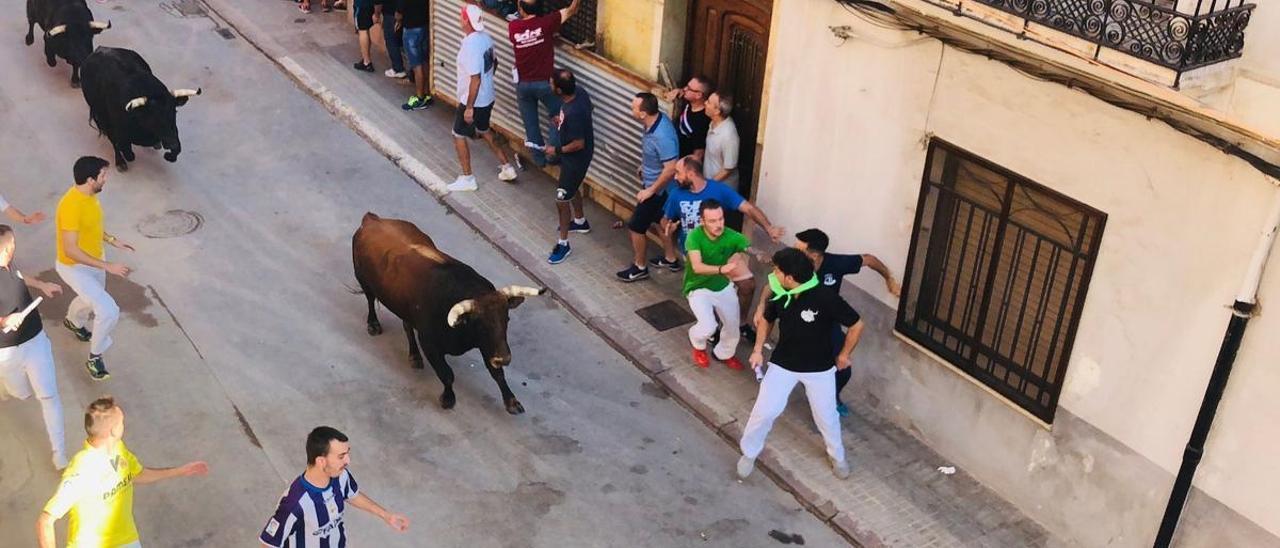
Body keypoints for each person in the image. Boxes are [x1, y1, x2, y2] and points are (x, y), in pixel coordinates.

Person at [738, 248, 863, 481]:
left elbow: (856, 324)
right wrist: (757, 349)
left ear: (790, 277)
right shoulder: (781, 292)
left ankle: (837, 456)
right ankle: (749, 453)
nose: (773, 274)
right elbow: (767, 319)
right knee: (764, 412)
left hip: (819, 369)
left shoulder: (825, 297)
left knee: (826, 417)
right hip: (783, 364)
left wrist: (844, 355)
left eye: (777, 271)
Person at [756, 228, 900, 417]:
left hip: (825, 322)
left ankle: (832, 398)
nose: (793, 252)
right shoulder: (791, 264)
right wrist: (761, 306)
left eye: (799, 249)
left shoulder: (836, 264)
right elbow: (773, 284)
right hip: (795, 315)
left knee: (843, 370)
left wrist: (889, 278)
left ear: (814, 255)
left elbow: (870, 260)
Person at [37, 396, 210, 548]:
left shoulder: (118, 449)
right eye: (121, 422)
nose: (124, 425)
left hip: (126, 539)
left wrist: (179, 471)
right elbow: (45, 521)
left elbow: (137, 474)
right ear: (113, 430)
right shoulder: (81, 469)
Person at [662, 155, 783, 341]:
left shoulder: (718, 190)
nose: (675, 177)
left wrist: (768, 228)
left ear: (691, 173)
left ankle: (740, 323)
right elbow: (666, 220)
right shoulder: (676, 195)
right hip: (697, 253)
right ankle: (711, 328)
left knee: (748, 285)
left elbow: (748, 209)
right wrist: (669, 228)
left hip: (723, 249)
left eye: (678, 173)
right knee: (707, 291)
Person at [260, 426, 410, 546]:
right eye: (341, 456)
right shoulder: (294, 503)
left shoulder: (340, 476)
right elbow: (268, 544)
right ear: (321, 461)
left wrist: (386, 515)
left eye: (347, 454)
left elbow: (352, 494)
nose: (348, 461)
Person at [56, 156, 133, 381]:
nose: (105, 179)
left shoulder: (90, 196)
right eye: (103, 175)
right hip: (74, 267)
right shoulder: (71, 206)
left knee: (90, 298)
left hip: (95, 260)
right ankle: (95, 357)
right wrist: (108, 266)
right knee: (108, 310)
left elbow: (92, 228)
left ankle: (73, 321)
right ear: (90, 180)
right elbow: (70, 250)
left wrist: (112, 240)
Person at [0, 225, 66, 469]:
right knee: (20, 392)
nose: (13, 247)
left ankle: (59, 454)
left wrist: (41, 285)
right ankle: (6, 388)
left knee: (49, 396)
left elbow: (19, 276)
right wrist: (4, 321)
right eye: (9, 244)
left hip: (35, 340)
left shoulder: (9, 265)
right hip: (5, 352)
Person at [447, 5, 518, 192]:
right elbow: (495, 62)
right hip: (488, 97)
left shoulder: (470, 46)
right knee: (484, 130)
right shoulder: (486, 37)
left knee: (458, 134)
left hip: (473, 101)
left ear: (466, 21)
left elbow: (475, 79)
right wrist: (488, 81)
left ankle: (468, 178)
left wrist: (469, 107)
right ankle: (507, 167)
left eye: (461, 17)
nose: (460, 19)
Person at [507, 0, 582, 167]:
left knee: (531, 124)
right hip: (545, 85)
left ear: (521, 9)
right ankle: (553, 155)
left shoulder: (513, 27)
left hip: (523, 86)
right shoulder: (547, 23)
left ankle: (539, 160)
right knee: (558, 114)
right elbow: (572, 9)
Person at [616, 92, 680, 282]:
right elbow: (658, 156)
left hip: (659, 190)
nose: (631, 109)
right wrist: (645, 166)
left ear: (643, 113)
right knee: (660, 221)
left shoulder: (662, 136)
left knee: (636, 226)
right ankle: (671, 259)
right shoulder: (654, 122)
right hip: (654, 183)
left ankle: (640, 267)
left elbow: (671, 169)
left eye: (634, 107)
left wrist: (650, 191)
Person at [682, 200, 751, 370]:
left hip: (722, 286)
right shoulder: (694, 237)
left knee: (732, 326)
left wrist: (763, 255)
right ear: (702, 221)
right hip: (697, 288)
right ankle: (698, 344)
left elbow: (749, 247)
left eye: (721, 219)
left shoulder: (731, 235)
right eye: (712, 221)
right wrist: (722, 269)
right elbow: (697, 267)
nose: (718, 224)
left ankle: (724, 354)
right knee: (708, 326)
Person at [543, 68, 593, 264]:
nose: (549, 84)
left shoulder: (573, 112)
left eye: (551, 83)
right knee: (572, 187)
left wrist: (556, 150)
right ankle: (580, 221)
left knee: (561, 200)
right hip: (576, 157)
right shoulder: (580, 93)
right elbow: (589, 111)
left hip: (576, 159)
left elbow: (578, 143)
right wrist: (562, 124)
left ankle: (563, 244)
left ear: (559, 91)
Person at [663, 76, 714, 159]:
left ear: (698, 95)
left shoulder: (701, 122)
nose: (685, 89)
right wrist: (678, 91)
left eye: (689, 88)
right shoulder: (689, 101)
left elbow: (698, 153)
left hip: (680, 159)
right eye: (686, 86)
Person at [398, 0, 434, 110]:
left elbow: (399, 11)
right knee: (424, 60)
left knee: (416, 65)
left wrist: (398, 19)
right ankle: (427, 93)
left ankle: (420, 97)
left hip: (411, 28)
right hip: (425, 26)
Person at [702, 92, 740, 191]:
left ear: (717, 111)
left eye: (709, 102)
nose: (705, 103)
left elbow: (728, 169)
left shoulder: (728, 135)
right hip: (710, 184)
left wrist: (708, 186)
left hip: (721, 189)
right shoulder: (713, 123)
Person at [377, 0, 406, 79]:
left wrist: (377, 14)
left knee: (391, 41)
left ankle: (398, 69)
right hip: (404, 13)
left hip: (391, 14)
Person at [350, 0, 378, 72]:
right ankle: (366, 57)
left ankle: (366, 61)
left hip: (361, 5)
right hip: (370, 5)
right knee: (366, 31)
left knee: (362, 31)